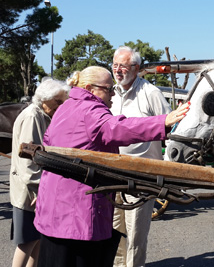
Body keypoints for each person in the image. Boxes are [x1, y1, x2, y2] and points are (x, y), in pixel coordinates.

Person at [33, 66, 189, 267]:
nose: (114, 93)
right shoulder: (90, 110)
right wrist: (163, 122)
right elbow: (117, 128)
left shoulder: (65, 107)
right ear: (90, 88)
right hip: (78, 217)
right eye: (109, 89)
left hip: (53, 212)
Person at [110, 46, 173, 267]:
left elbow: (170, 128)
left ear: (136, 68)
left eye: (123, 66)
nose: (118, 70)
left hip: (141, 176)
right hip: (111, 173)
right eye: (115, 65)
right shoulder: (110, 93)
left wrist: (168, 168)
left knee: (135, 232)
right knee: (115, 229)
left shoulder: (150, 93)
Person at [10, 78, 69, 267]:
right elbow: (29, 159)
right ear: (44, 98)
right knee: (27, 242)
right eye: (57, 102)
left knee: (36, 241)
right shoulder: (33, 116)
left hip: (33, 190)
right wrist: (39, 190)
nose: (60, 106)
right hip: (29, 193)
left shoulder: (40, 115)